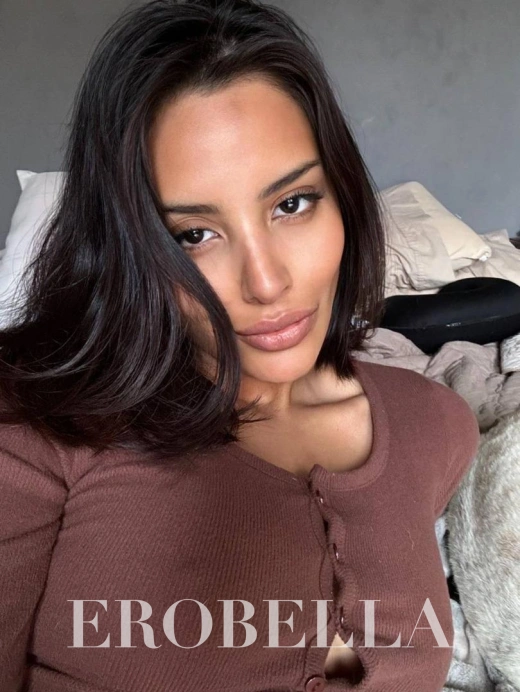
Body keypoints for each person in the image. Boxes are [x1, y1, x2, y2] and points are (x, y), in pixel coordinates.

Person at [0, 1, 481, 691]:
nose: (267, 282)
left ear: (343, 193)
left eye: (292, 203)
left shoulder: (436, 424)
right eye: (193, 235)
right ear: (128, 249)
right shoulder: (31, 431)